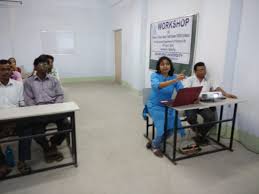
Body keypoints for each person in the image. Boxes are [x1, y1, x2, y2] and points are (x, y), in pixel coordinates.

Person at [23, 56, 69, 163]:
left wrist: (54, 107)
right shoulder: (28, 82)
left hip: (54, 110)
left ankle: (53, 143)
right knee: (36, 132)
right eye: (41, 64)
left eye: (46, 64)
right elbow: (28, 99)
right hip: (38, 112)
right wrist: (37, 109)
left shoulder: (54, 80)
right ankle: (46, 148)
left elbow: (60, 95)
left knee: (66, 124)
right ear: (35, 67)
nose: (45, 66)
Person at [183, 62, 237, 145]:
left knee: (211, 118)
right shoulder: (189, 80)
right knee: (191, 118)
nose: (203, 71)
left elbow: (217, 88)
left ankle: (200, 134)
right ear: (195, 71)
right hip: (191, 104)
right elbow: (185, 93)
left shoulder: (209, 80)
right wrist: (193, 98)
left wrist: (226, 94)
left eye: (204, 69)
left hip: (203, 104)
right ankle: (200, 133)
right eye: (200, 70)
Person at [145, 56, 185, 158]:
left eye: (167, 64)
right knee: (161, 127)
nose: (165, 66)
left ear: (171, 66)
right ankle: (156, 146)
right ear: (158, 66)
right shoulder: (154, 75)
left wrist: (191, 96)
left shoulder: (174, 77)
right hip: (154, 105)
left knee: (173, 126)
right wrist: (175, 80)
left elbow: (181, 90)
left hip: (167, 105)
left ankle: (155, 142)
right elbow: (157, 86)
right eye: (162, 64)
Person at [0, 59, 31, 178]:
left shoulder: (18, 85)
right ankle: (2, 164)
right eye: (2, 69)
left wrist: (14, 122)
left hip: (15, 121)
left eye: (8, 69)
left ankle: (22, 161)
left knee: (27, 129)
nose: (6, 72)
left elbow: (22, 104)